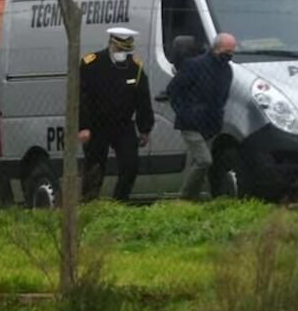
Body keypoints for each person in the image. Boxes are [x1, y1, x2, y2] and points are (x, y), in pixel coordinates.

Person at [78, 27, 155, 202]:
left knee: (131, 164)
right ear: (112, 44)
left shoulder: (134, 67)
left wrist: (145, 128)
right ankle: (90, 203)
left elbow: (143, 99)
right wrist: (83, 126)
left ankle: (120, 202)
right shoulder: (92, 64)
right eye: (120, 49)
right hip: (97, 125)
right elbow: (81, 99)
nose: (123, 54)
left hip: (123, 124)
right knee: (95, 167)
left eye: (126, 50)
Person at [168, 33, 236, 201]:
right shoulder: (195, 65)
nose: (231, 54)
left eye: (232, 50)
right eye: (228, 50)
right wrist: (184, 112)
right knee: (204, 161)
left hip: (210, 125)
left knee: (198, 163)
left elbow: (222, 97)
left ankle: (193, 200)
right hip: (191, 123)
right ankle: (184, 199)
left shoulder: (226, 70)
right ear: (217, 48)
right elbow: (174, 90)